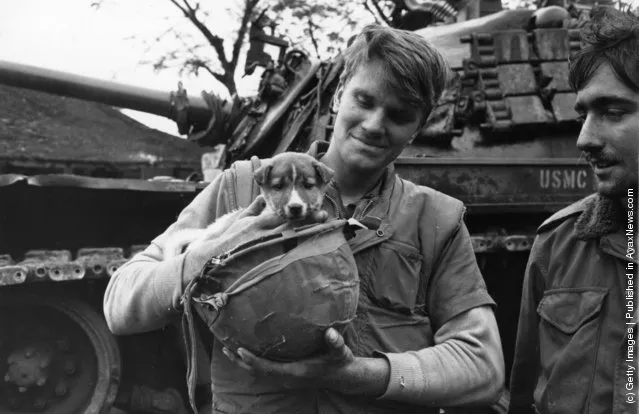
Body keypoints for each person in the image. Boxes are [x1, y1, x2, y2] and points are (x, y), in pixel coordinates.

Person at [104, 24, 504, 414]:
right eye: (364, 101)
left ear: (418, 127)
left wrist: (360, 374)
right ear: (336, 97)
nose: (374, 124)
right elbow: (120, 301)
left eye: (399, 115)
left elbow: (483, 367)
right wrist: (211, 252)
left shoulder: (435, 220)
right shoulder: (242, 187)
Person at [508, 7, 638, 414]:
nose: (584, 139)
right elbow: (523, 395)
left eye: (613, 113)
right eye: (583, 115)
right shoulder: (559, 244)